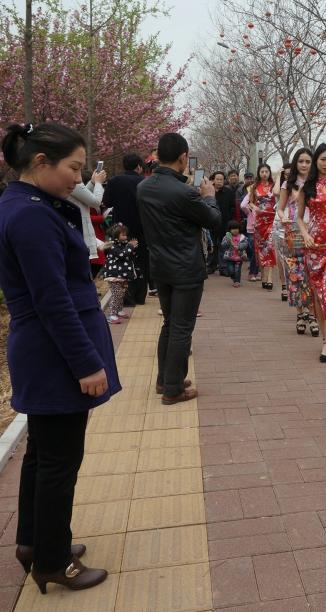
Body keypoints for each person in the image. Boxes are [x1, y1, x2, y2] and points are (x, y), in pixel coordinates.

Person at [0, 121, 116, 593]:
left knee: (44, 456)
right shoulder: (31, 216)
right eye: (73, 168)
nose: (78, 179)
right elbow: (52, 299)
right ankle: (52, 561)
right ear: (41, 162)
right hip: (54, 355)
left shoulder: (27, 205)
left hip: (47, 351)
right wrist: (87, 363)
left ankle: (35, 542)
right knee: (59, 462)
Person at [137, 132, 220, 405]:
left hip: (160, 267)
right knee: (183, 328)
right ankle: (173, 389)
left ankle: (165, 379)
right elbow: (214, 221)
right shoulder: (185, 192)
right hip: (186, 269)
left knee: (170, 324)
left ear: (158, 156)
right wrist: (208, 196)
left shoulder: (144, 188)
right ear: (183, 157)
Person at [296, 143, 326, 362]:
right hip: (313, 248)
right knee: (318, 294)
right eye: (323, 159)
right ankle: (325, 336)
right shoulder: (308, 188)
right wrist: (305, 233)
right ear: (317, 161)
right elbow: (298, 217)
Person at [276, 149, 318, 336]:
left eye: (308, 161)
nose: (304, 165)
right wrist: (283, 217)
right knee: (295, 274)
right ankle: (300, 314)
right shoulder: (288, 184)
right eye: (301, 161)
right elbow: (280, 209)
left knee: (312, 273)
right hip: (293, 232)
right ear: (295, 163)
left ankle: (313, 314)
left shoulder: (317, 183)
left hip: (314, 232)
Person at [103, 153, 150, 302]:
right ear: (138, 166)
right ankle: (140, 296)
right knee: (140, 261)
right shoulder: (144, 182)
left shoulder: (114, 181)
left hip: (119, 229)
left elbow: (107, 202)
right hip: (140, 227)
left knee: (120, 260)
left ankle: (124, 297)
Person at [66, 167, 107, 275]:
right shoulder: (72, 182)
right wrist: (98, 183)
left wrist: (93, 182)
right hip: (82, 231)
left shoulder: (69, 182)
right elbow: (95, 201)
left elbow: (84, 194)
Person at [247, 164, 278, 289]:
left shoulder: (274, 186)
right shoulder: (254, 187)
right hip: (260, 221)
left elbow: (279, 201)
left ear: (270, 173)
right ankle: (264, 276)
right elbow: (250, 203)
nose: (264, 173)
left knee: (270, 247)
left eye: (266, 171)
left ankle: (270, 277)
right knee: (260, 248)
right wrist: (255, 209)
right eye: (262, 171)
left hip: (272, 219)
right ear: (259, 173)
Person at [102, 223, 139, 324]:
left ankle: (118, 310)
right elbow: (121, 254)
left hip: (122, 274)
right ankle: (111, 314)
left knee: (121, 293)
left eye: (126, 234)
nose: (125, 237)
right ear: (116, 235)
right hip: (114, 274)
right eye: (123, 235)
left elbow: (130, 255)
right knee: (116, 294)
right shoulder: (112, 246)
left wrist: (133, 248)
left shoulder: (124, 244)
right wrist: (131, 246)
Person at [209, 171, 237, 275]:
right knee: (211, 246)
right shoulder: (209, 192)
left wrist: (231, 221)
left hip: (224, 223)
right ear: (213, 180)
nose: (220, 181)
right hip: (210, 223)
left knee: (223, 246)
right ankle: (211, 266)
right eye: (218, 179)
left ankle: (223, 267)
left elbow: (233, 207)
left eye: (221, 179)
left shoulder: (229, 192)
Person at [220, 220, 248, 287]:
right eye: (233, 229)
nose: (235, 230)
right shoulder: (227, 237)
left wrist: (239, 247)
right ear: (229, 230)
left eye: (236, 228)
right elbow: (223, 245)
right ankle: (233, 276)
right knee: (231, 270)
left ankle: (237, 281)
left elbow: (245, 244)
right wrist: (227, 242)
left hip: (239, 257)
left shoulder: (242, 237)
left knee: (237, 270)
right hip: (230, 257)